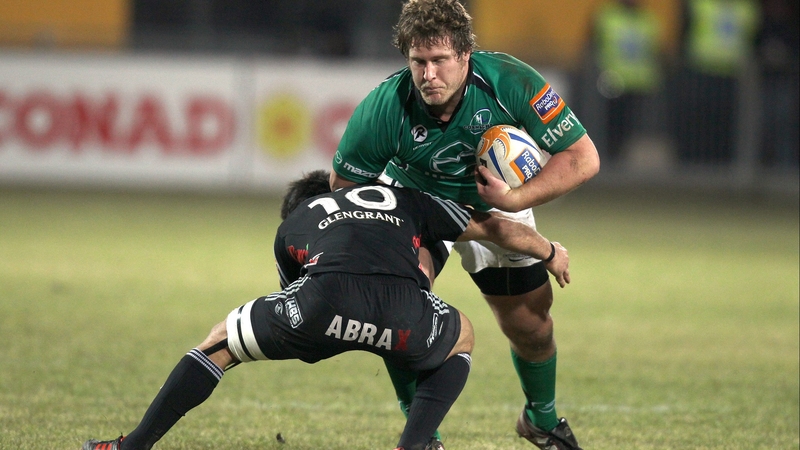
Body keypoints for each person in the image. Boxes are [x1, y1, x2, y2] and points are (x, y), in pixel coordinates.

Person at [82, 170, 571, 450]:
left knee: (220, 343)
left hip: (320, 308)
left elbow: (295, 291)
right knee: (461, 333)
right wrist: (548, 251)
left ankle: (132, 447)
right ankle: (417, 443)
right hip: (402, 313)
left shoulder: (293, 223)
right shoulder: (406, 197)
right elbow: (492, 229)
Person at [329, 1, 599, 449]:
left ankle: (541, 419)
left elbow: (583, 158)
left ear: (465, 55)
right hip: (414, 200)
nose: (428, 75)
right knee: (399, 309)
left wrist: (514, 199)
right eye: (418, 62)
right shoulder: (384, 106)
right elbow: (343, 186)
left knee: (531, 325)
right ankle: (424, 437)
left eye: (439, 61)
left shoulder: (510, 82)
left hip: (493, 201)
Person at [588, 0, 665, 163]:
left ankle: (619, 163)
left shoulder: (648, 19)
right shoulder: (607, 16)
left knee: (630, 131)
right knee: (610, 128)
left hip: (639, 86)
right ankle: (608, 161)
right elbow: (591, 46)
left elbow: (657, 53)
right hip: (611, 85)